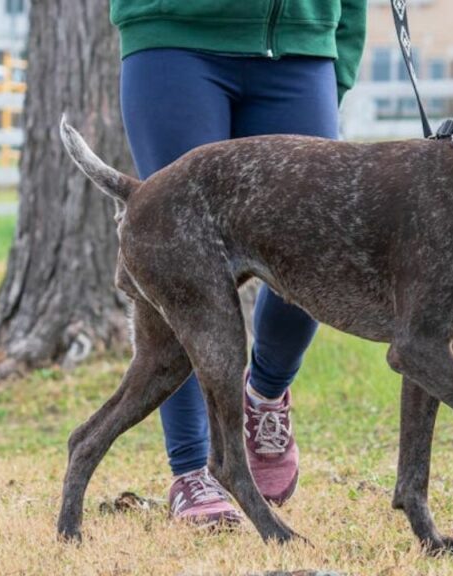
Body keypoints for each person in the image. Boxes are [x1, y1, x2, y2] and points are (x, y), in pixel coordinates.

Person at [109, 0, 367, 527]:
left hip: (300, 46)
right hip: (175, 41)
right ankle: (192, 469)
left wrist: (337, 57)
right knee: (181, 269)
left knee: (314, 256)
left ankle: (266, 392)